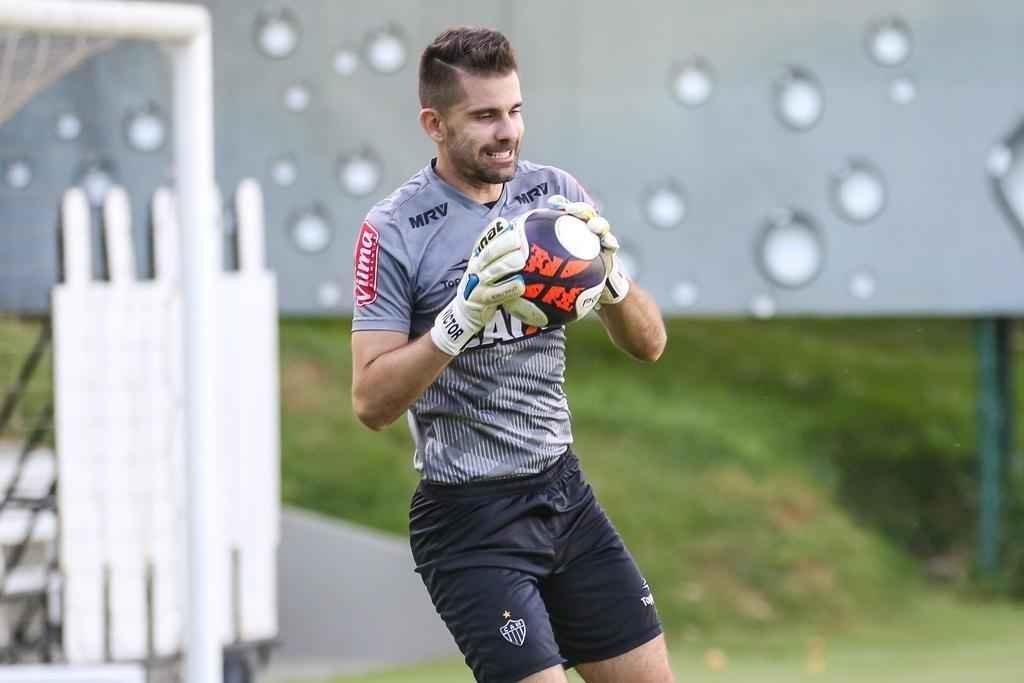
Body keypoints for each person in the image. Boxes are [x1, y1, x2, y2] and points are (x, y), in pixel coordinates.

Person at [350, 26, 673, 683]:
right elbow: (370, 401)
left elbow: (650, 344)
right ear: (434, 124)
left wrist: (612, 281)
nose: (509, 131)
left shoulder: (554, 199)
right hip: (469, 518)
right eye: (486, 116)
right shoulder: (394, 230)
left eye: (516, 110)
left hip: (563, 491)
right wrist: (459, 317)